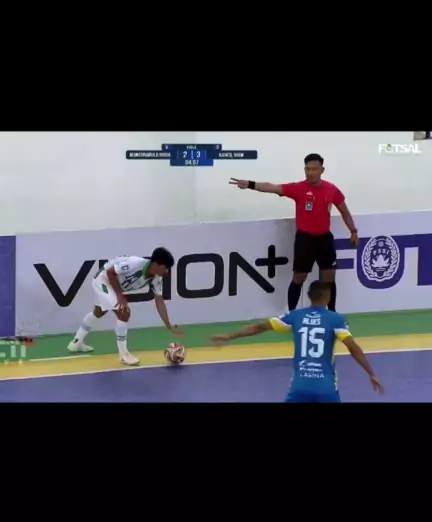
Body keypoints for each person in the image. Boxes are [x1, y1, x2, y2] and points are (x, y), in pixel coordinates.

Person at [211, 280, 384, 402]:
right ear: (328, 298)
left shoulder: (295, 317)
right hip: (326, 389)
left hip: (300, 387)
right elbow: (353, 348)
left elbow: (259, 327)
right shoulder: (336, 320)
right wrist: (371, 373)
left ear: (309, 296)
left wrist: (229, 336)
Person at [229, 153, 359, 313]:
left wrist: (353, 231)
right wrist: (250, 184)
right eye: (307, 169)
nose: (310, 172)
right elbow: (272, 187)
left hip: (324, 239)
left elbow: (344, 210)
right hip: (305, 240)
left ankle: (332, 314)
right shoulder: (298, 189)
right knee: (299, 278)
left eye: (314, 169)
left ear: (322, 170)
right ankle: (291, 315)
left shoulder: (331, 189)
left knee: (329, 277)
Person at [68, 247, 182, 366]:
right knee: (124, 312)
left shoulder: (156, 278)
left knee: (99, 312)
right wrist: (119, 295)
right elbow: (110, 272)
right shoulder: (135, 264)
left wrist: (169, 326)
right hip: (103, 279)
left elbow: (159, 302)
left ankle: (76, 343)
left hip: (110, 284)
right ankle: (124, 355)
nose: (166, 272)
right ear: (156, 264)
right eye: (165, 267)